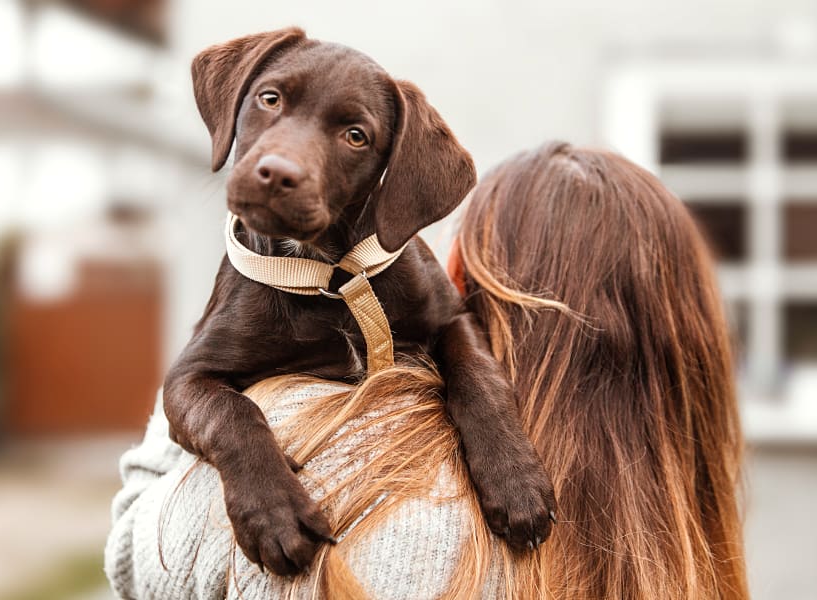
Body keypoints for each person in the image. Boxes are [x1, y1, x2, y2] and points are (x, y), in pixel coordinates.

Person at [105, 142, 749, 599]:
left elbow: (135, 555)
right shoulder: (681, 552)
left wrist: (199, 374)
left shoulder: (331, 460)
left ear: (466, 280)